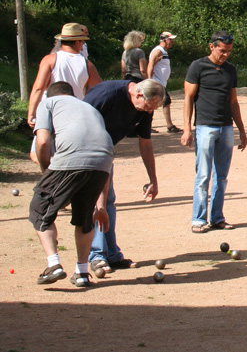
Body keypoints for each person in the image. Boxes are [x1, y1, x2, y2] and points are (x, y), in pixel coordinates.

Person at [29, 82, 113, 288]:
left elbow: (42, 141)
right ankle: (82, 273)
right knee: (85, 218)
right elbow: (105, 160)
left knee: (40, 209)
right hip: (103, 162)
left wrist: (46, 171)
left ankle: (53, 264)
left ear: (50, 95)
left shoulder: (48, 103)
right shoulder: (89, 108)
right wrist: (101, 206)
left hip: (71, 160)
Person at [84, 79, 165, 272]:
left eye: (152, 109)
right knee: (95, 201)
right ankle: (96, 255)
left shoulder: (145, 109)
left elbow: (145, 143)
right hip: (86, 150)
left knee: (108, 201)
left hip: (105, 151)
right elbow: (78, 118)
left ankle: (111, 254)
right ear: (138, 94)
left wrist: (153, 180)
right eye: (148, 106)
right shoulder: (106, 95)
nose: (148, 112)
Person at [182, 31, 247, 233]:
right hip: (205, 127)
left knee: (221, 176)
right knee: (203, 175)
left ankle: (217, 218)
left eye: (229, 51)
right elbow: (188, 99)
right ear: (212, 47)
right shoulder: (197, 67)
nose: (225, 55)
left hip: (226, 127)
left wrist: (241, 130)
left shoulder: (230, 70)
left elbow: (233, 102)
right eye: (222, 51)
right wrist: (187, 128)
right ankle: (198, 219)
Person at [27, 23, 102, 129]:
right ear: (77, 42)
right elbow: (99, 89)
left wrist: (31, 113)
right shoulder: (87, 64)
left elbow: (38, 88)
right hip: (75, 112)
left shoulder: (49, 60)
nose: (83, 44)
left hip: (50, 111)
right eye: (82, 41)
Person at [148, 31, 181, 132]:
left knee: (157, 102)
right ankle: (168, 126)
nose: (172, 42)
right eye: (171, 40)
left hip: (160, 82)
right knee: (163, 101)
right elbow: (150, 65)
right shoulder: (158, 51)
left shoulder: (163, 51)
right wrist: (150, 80)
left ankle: (150, 125)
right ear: (164, 40)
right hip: (157, 82)